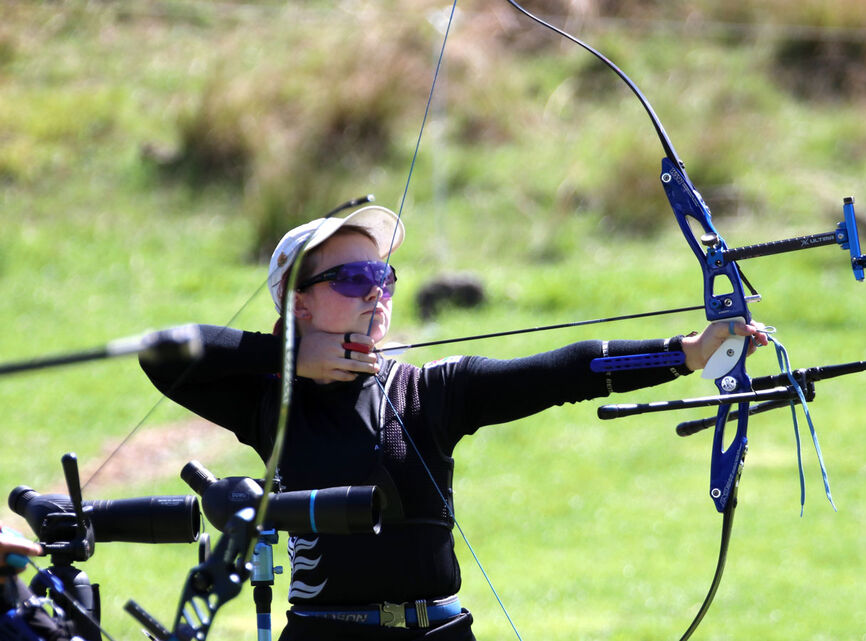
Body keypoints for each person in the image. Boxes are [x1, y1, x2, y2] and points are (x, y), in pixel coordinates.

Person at [140, 205, 768, 640]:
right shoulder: (271, 403)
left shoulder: (428, 391)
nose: (376, 291)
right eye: (353, 278)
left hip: (440, 632)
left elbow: (562, 372)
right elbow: (159, 351)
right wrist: (290, 357)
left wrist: (686, 352)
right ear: (299, 302)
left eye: (383, 276)